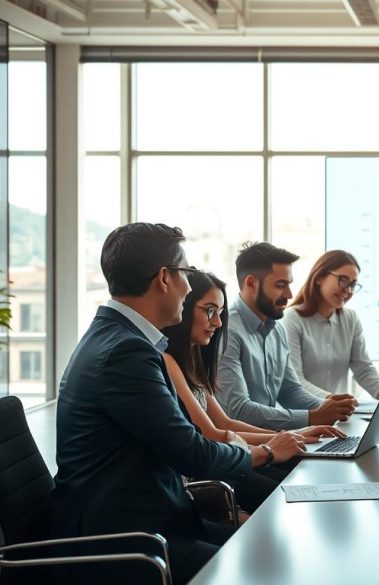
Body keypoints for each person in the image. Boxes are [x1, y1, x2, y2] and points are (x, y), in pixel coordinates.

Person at [50, 223, 301, 584]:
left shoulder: (118, 338)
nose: (188, 286)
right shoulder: (126, 351)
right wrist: (265, 453)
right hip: (131, 540)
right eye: (186, 273)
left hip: (149, 523)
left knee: (276, 552)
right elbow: (191, 452)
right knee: (271, 565)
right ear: (165, 278)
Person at [162, 270, 345, 513]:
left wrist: (293, 434)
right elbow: (212, 433)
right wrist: (276, 443)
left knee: (300, 471)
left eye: (219, 313)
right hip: (206, 475)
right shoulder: (167, 360)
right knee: (286, 491)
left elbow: (225, 421)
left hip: (230, 455)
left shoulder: (192, 360)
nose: (217, 322)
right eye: (209, 311)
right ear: (184, 307)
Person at [216, 242, 357, 430]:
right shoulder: (226, 331)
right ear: (251, 283)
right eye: (280, 285)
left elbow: (290, 391)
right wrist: (312, 417)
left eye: (289, 285)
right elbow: (238, 411)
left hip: (275, 443)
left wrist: (331, 407)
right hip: (245, 449)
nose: (289, 294)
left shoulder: (276, 329)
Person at [282, 250, 379, 400]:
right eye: (343, 280)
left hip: (341, 417)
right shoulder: (291, 320)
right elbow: (295, 381)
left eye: (353, 284)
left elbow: (364, 370)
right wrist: (333, 401)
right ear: (319, 278)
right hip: (305, 417)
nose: (348, 290)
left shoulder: (351, 319)